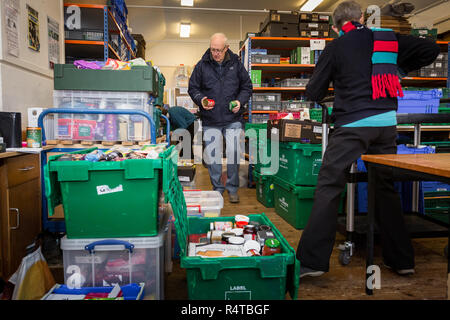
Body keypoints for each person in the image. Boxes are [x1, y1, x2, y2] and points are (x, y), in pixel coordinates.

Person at [296, 1, 440, 278]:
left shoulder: (335, 47)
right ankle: (401, 260)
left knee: (329, 185)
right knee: (385, 188)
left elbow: (313, 91)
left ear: (336, 27)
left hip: (351, 125)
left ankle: (312, 262)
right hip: (386, 124)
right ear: (362, 17)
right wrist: (397, 70)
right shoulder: (386, 39)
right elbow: (430, 49)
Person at [188, 33, 253, 203]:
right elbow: (193, 88)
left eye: (219, 50)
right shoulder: (202, 66)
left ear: (226, 48)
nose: (215, 53)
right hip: (211, 119)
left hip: (233, 118)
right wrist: (201, 100)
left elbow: (247, 86)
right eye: (213, 50)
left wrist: (240, 101)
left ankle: (232, 188)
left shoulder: (236, 65)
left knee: (233, 153)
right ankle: (217, 188)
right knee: (213, 157)